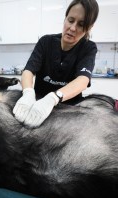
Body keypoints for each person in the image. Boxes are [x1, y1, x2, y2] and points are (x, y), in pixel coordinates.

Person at [13, 0, 99, 128]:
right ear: (65, 18)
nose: (73, 28)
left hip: (68, 111)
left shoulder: (88, 48)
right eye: (70, 20)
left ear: (89, 27)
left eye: (81, 24)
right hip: (37, 107)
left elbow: (82, 80)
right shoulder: (46, 42)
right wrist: (28, 92)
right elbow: (28, 71)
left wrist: (53, 98)